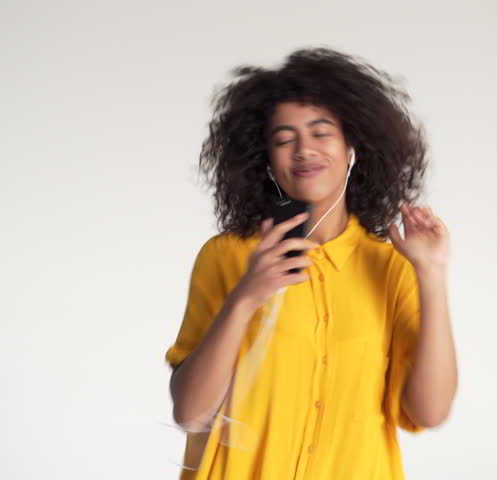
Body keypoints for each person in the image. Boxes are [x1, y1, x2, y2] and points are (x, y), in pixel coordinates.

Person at [165, 47, 457, 479]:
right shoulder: (227, 257)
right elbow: (190, 412)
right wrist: (245, 298)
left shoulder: (392, 267)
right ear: (265, 158)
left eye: (321, 133)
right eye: (284, 139)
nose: (304, 150)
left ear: (352, 145)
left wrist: (431, 274)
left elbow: (430, 412)